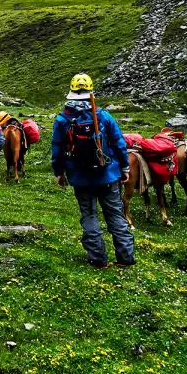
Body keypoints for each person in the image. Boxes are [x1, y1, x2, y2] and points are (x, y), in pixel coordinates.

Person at [52, 73, 134, 268]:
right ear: (91, 91)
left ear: (71, 92)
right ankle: (125, 258)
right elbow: (119, 143)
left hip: (80, 177)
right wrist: (124, 167)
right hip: (108, 174)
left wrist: (59, 172)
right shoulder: (103, 115)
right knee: (115, 214)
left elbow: (57, 148)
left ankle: (97, 259)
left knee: (89, 215)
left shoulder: (63, 119)